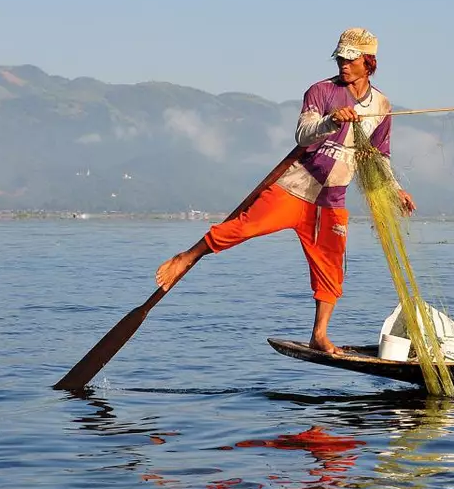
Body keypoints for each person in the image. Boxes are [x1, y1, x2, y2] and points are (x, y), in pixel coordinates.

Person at [155, 28, 415, 355]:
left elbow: (378, 157)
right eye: (340, 58)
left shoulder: (382, 106)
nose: (344, 64)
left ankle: (319, 335)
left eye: (351, 59)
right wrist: (331, 122)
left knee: (331, 271)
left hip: (331, 201)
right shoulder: (320, 92)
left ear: (369, 62)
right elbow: (303, 135)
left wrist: (396, 190)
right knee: (243, 227)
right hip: (294, 189)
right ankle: (186, 257)